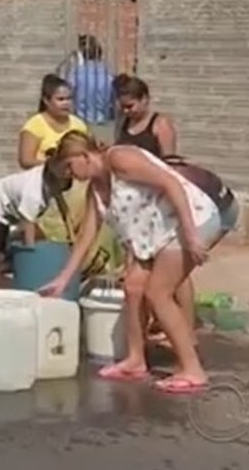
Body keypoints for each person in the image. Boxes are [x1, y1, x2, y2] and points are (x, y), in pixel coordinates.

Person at [39, 130, 233, 394]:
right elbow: (86, 236)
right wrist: (63, 279)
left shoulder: (120, 159)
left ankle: (192, 369)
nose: (73, 177)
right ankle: (135, 359)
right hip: (155, 235)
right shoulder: (95, 190)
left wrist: (190, 233)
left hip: (189, 220)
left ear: (84, 155)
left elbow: (171, 183)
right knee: (132, 286)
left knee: (158, 294)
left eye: (71, 168)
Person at [112, 74, 193, 345]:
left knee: (175, 270)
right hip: (139, 205)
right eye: (123, 106)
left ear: (145, 100)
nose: (127, 110)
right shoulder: (124, 124)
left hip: (162, 199)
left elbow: (171, 166)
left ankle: (187, 329)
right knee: (147, 265)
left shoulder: (160, 125)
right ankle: (158, 324)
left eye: (132, 105)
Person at [18, 74, 90, 244]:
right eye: (61, 99)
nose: (66, 103)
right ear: (46, 101)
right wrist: (56, 165)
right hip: (46, 188)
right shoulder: (35, 125)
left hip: (74, 190)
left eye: (69, 99)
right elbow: (25, 160)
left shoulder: (78, 125)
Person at [0, 154, 74, 278]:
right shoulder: (33, 194)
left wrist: (72, 236)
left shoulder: (50, 177)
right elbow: (27, 225)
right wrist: (30, 256)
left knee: (3, 255)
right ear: (54, 181)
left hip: (8, 212)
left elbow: (63, 207)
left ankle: (1, 273)